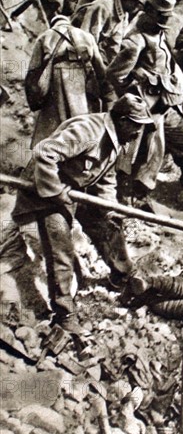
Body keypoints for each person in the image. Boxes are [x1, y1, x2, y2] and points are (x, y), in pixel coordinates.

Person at [11, 94, 153, 334]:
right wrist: (56, 191)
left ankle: (122, 276)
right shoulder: (88, 130)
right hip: (45, 191)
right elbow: (44, 153)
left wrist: (109, 208)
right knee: (61, 249)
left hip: (76, 191)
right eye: (136, 125)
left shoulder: (118, 139)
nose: (138, 132)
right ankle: (64, 313)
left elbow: (105, 178)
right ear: (123, 120)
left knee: (110, 226)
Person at [106, 0, 183, 199]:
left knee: (153, 150)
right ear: (150, 12)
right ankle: (122, 195)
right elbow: (115, 74)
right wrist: (132, 97)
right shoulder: (136, 41)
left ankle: (140, 193)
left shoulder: (157, 32)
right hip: (141, 105)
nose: (164, 20)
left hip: (158, 103)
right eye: (161, 15)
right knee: (130, 151)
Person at [24, 14, 113, 147]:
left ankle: (45, 153)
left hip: (56, 79)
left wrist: (35, 99)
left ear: (54, 24)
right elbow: (100, 69)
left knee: (51, 123)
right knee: (79, 120)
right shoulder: (86, 36)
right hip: (80, 80)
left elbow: (33, 70)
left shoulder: (45, 36)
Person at [72, 0, 146, 66]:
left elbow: (114, 46)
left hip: (93, 50)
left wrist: (110, 68)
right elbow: (85, 39)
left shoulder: (124, 15)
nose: (137, 8)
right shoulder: (104, 7)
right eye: (136, 4)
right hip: (75, 45)